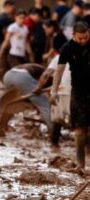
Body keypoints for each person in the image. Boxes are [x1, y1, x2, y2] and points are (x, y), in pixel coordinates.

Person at [51, 21, 90, 168]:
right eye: (80, 38)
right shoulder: (67, 48)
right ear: (73, 34)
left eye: (86, 37)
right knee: (80, 131)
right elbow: (59, 71)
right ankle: (80, 165)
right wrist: (54, 91)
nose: (83, 41)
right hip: (79, 91)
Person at [0, 63, 51, 136]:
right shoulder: (50, 76)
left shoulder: (38, 68)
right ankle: (53, 133)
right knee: (46, 106)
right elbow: (49, 95)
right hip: (22, 77)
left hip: (8, 76)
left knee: (11, 104)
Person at [33, 55, 71, 146]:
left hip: (61, 91)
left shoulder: (59, 57)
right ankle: (87, 149)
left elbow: (46, 74)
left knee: (57, 120)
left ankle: (54, 144)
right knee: (82, 122)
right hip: (78, 92)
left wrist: (38, 88)